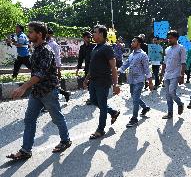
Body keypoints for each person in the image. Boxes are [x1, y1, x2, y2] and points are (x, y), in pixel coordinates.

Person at [7, 22, 72, 161]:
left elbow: (40, 74)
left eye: (31, 32)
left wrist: (23, 87)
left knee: (57, 118)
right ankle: (26, 150)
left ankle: (65, 140)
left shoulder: (46, 51)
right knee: (29, 120)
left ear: (40, 34)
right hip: (37, 92)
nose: (28, 34)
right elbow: (35, 72)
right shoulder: (35, 49)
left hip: (48, 91)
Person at [83, 25, 120, 139]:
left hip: (103, 81)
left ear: (102, 34)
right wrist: (86, 78)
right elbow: (92, 66)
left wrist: (116, 84)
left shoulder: (107, 48)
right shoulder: (95, 48)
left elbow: (113, 67)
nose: (92, 34)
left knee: (102, 105)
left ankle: (100, 129)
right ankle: (113, 112)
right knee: (94, 101)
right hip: (93, 81)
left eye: (95, 32)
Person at [118, 36, 154, 128]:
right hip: (131, 80)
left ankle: (134, 118)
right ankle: (145, 107)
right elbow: (125, 64)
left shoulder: (143, 55)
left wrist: (150, 82)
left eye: (134, 41)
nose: (131, 43)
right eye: (132, 41)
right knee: (134, 97)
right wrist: (118, 71)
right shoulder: (131, 55)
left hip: (139, 80)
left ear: (139, 43)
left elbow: (147, 69)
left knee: (135, 99)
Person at [160, 30, 186, 119]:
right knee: (167, 95)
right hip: (167, 74)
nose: (169, 40)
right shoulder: (167, 49)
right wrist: (161, 73)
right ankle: (170, 113)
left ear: (176, 38)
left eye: (170, 38)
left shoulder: (181, 48)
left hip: (176, 74)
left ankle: (180, 103)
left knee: (172, 92)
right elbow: (164, 62)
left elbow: (183, 63)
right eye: (168, 38)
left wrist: (182, 76)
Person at [46, 27, 70, 102]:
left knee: (52, 84)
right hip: (45, 67)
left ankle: (51, 102)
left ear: (50, 34)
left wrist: (59, 69)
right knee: (50, 84)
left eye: (47, 33)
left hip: (52, 67)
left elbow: (57, 57)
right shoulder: (43, 42)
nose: (46, 35)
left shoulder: (54, 44)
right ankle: (65, 93)